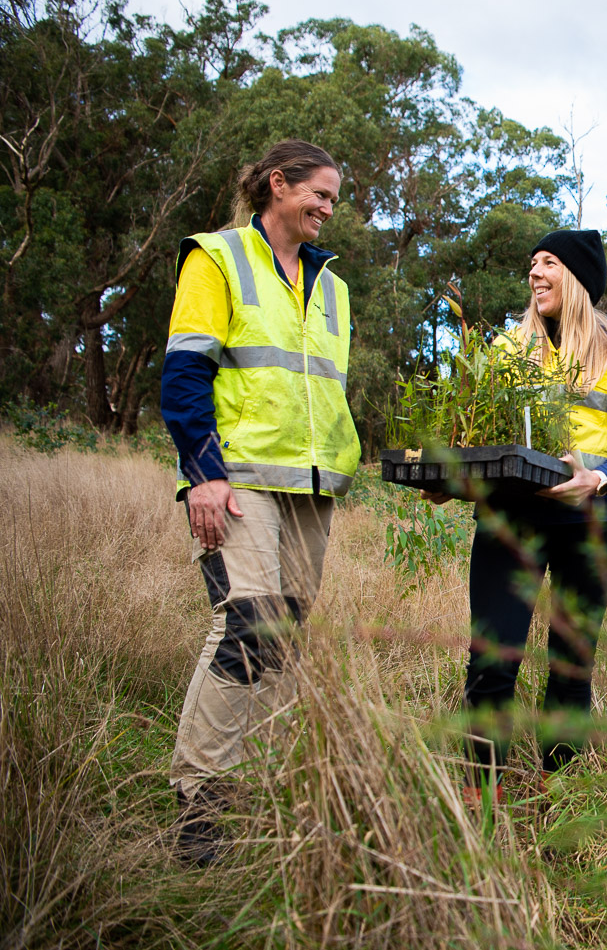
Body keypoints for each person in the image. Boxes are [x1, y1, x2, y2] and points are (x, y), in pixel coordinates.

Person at [160, 139, 359, 864]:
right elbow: (184, 372)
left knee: (281, 643)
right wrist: (203, 472)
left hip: (312, 488)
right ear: (279, 184)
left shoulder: (333, 288)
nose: (329, 209)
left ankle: (255, 789)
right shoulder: (217, 258)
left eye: (334, 199)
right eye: (321, 194)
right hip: (236, 478)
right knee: (247, 623)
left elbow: (325, 393)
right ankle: (199, 804)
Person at [424, 228, 607, 806]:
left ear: (576, 279)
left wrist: (595, 475)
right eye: (532, 263)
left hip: (594, 519)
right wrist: (449, 479)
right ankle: (483, 792)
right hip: (513, 518)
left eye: (549, 262)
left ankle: (561, 789)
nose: (535, 272)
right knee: (494, 654)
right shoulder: (507, 350)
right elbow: (472, 438)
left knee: (572, 658)